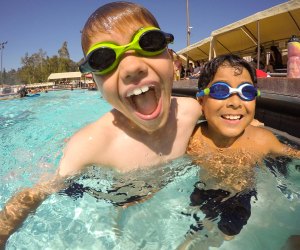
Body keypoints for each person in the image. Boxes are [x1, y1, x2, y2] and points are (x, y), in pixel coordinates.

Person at [0, 2, 202, 247]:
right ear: (94, 82)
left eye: (148, 42)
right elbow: (35, 194)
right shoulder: (90, 145)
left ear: (170, 57)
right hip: (114, 198)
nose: (132, 67)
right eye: (104, 59)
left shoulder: (192, 111)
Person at [180, 54, 300, 246]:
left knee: (227, 235)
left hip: (240, 196)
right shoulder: (191, 138)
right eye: (221, 90)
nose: (235, 102)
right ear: (201, 102)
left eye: (246, 91)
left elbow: (294, 155)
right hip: (204, 189)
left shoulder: (262, 141)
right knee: (193, 231)